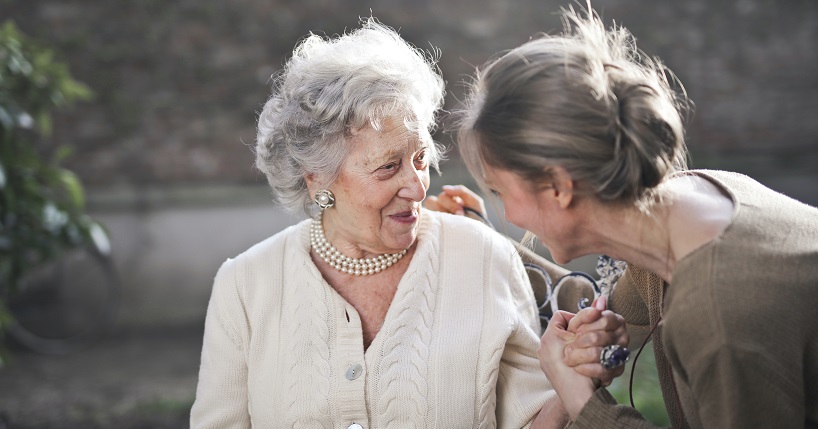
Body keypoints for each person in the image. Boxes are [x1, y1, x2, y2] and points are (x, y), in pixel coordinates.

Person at [189, 18, 626, 428]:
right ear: (318, 177)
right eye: (387, 167)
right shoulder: (245, 286)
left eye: (420, 159)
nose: (417, 188)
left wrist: (576, 375)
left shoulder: (482, 257)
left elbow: (531, 421)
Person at [453, 6, 818, 429]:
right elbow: (598, 302)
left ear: (557, 187)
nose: (508, 213)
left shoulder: (719, 317)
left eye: (499, 191)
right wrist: (476, 237)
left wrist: (581, 400)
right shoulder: (692, 201)